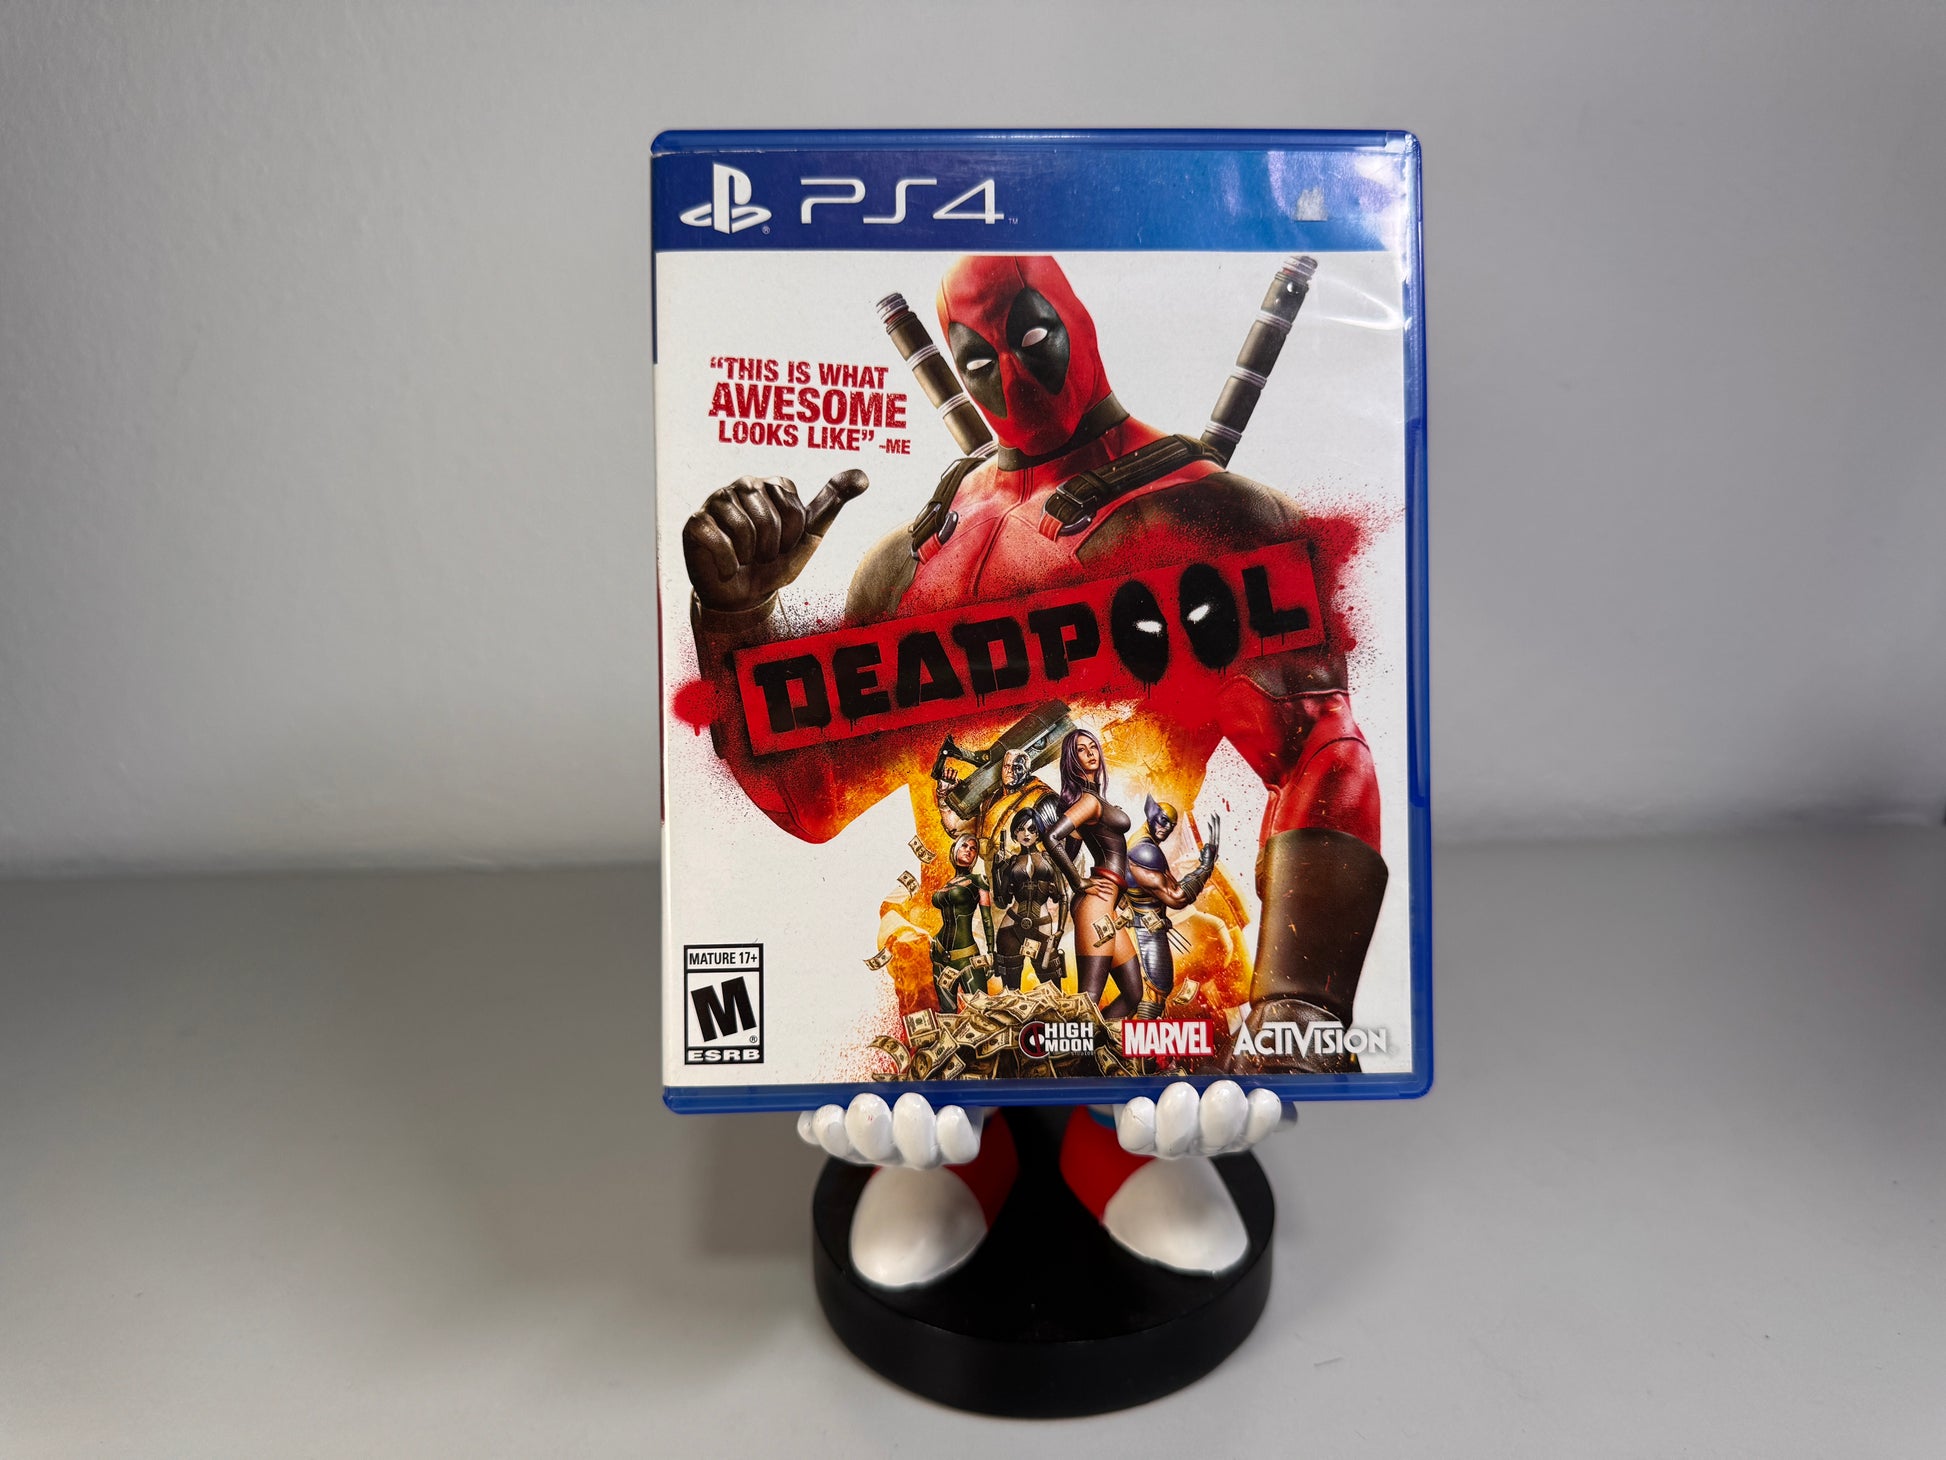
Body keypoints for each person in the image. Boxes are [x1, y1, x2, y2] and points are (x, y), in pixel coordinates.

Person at [1124, 797, 1220, 1018]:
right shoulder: (1145, 851)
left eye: (1171, 825)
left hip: (1146, 923)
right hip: (1144, 930)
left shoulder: (1145, 845)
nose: (1166, 828)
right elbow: (1177, 897)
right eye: (1163, 821)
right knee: (1156, 992)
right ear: (1151, 814)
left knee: (1155, 993)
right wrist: (1205, 867)